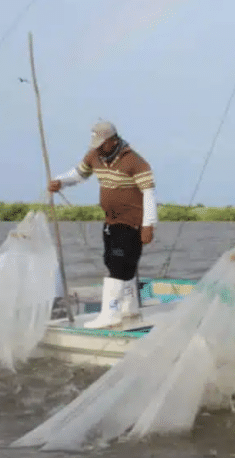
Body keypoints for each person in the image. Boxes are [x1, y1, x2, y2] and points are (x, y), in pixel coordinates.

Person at [48, 120, 157, 329]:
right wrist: (61, 181)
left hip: (132, 222)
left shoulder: (135, 162)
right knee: (116, 263)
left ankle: (110, 314)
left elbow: (149, 194)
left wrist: (148, 225)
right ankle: (129, 307)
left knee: (119, 265)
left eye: (102, 144)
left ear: (114, 141)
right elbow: (79, 174)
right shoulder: (95, 156)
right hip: (111, 221)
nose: (98, 147)